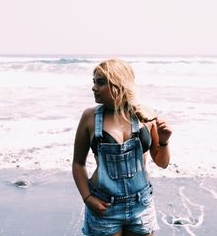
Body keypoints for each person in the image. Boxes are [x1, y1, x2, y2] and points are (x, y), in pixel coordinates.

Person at [72, 59, 173, 236]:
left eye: (100, 82)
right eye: (94, 81)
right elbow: (78, 164)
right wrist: (87, 199)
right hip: (103, 205)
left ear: (119, 85)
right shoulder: (90, 117)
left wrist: (164, 141)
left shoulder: (145, 114)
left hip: (141, 205)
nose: (94, 87)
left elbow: (161, 163)